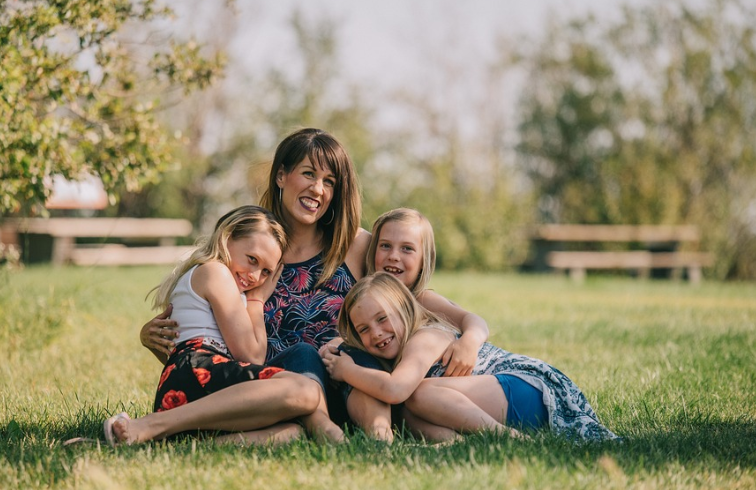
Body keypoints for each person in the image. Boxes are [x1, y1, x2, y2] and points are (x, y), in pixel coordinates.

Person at [140, 129, 489, 441]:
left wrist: (471, 335)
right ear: (281, 175)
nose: (317, 190)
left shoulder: (355, 246)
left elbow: (413, 300)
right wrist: (151, 338)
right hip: (274, 390)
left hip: (356, 388)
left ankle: (378, 438)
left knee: (345, 352)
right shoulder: (253, 250)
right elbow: (208, 337)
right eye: (308, 174)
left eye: (329, 181)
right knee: (303, 354)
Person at [323, 211, 617, 442]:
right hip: (488, 396)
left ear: (424, 259)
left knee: (418, 395)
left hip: (528, 388)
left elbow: (470, 322)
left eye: (407, 249)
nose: (394, 256)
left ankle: (508, 439)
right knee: (409, 414)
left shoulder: (424, 307)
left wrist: (470, 341)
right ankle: (457, 444)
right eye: (385, 246)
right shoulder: (379, 308)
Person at [104, 206, 321, 446]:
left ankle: (186, 445)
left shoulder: (219, 280)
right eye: (252, 260)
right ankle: (152, 424)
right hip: (196, 370)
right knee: (305, 390)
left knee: (292, 432)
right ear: (227, 239)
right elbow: (251, 355)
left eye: (266, 272)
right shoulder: (215, 272)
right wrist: (257, 300)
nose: (255, 276)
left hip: (196, 383)